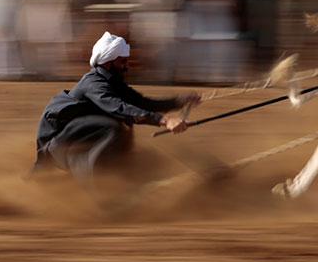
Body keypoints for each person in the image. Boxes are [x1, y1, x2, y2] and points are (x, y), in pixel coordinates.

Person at [29, 31, 201, 184]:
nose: (127, 66)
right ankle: (94, 187)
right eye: (122, 62)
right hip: (57, 148)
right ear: (107, 64)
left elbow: (142, 103)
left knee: (124, 130)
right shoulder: (94, 83)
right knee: (112, 126)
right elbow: (119, 108)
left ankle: (120, 181)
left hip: (73, 142)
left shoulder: (114, 83)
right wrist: (165, 121)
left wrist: (179, 101)